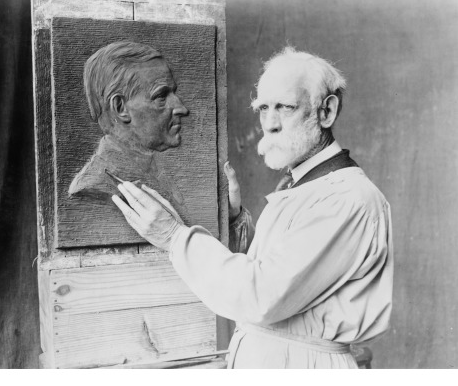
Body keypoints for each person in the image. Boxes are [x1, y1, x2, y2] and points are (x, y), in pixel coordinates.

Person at [112, 45, 394, 369]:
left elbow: (260, 295)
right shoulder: (306, 185)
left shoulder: (346, 199)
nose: (269, 123)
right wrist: (235, 221)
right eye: (263, 108)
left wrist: (175, 237)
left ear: (326, 111)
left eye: (285, 107)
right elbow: (276, 268)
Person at [69, 41, 189, 212]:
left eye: (173, 93)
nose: (182, 109)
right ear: (120, 108)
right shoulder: (93, 190)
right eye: (161, 96)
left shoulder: (157, 173)